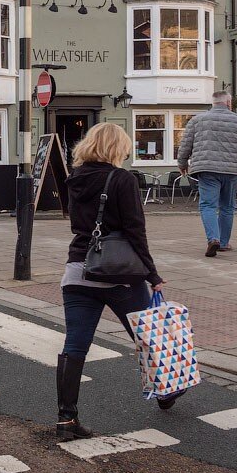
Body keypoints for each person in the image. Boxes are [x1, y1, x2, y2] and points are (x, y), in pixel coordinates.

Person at [57, 122, 170, 441]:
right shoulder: (123, 179)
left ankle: (66, 420)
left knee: (74, 345)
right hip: (119, 274)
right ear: (116, 148)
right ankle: (165, 392)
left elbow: (77, 222)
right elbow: (135, 231)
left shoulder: (73, 178)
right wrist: (152, 274)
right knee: (149, 336)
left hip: (78, 270)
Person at [177, 91, 237, 257]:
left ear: (213, 102)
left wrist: (182, 163)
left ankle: (213, 239)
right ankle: (223, 243)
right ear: (229, 103)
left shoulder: (197, 120)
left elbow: (185, 144)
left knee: (208, 205)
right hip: (232, 171)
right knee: (227, 207)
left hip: (207, 169)